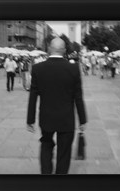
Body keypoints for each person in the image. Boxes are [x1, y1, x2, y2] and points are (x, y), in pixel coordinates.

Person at [26, 38, 87, 174]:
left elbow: (33, 96)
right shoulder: (73, 68)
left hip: (46, 117)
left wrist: (30, 120)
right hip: (66, 118)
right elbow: (78, 96)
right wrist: (82, 120)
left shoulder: (37, 68)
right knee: (64, 152)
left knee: (46, 145)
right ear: (64, 51)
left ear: (48, 48)